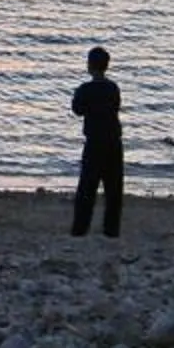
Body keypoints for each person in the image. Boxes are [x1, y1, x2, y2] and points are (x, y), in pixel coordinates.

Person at [70, 44, 122, 237]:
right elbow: (116, 106)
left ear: (90, 66)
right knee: (113, 188)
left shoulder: (85, 89)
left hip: (94, 142)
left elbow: (77, 110)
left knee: (87, 187)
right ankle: (111, 229)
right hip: (113, 141)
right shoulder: (113, 88)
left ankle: (80, 228)